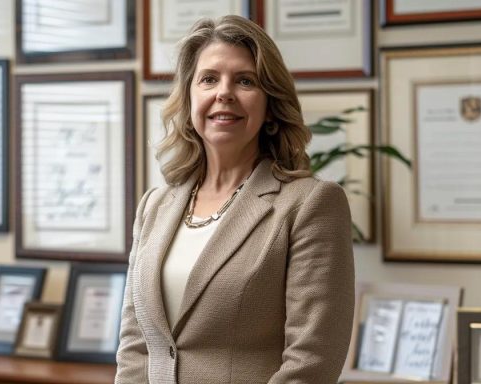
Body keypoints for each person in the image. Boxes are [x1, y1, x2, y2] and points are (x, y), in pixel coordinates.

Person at [116, 15, 354, 383]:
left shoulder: (310, 204)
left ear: (270, 104)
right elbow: (136, 345)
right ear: (190, 97)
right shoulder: (154, 206)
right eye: (209, 79)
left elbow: (312, 362)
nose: (223, 92)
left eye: (245, 81)